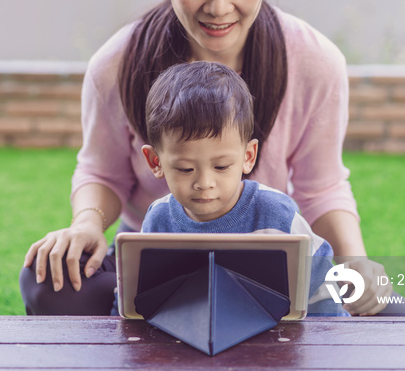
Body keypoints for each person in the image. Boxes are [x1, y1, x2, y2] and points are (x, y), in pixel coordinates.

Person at [21, 0, 405, 317]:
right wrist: (86, 224)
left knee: (396, 320)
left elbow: (322, 187)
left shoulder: (316, 62)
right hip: (159, 258)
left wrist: (355, 261)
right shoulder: (118, 64)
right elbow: (103, 173)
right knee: (45, 280)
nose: (219, 7)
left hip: (267, 259)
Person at [137, 60, 347, 316]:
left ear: (248, 156)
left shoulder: (276, 215)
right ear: (155, 161)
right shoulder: (158, 221)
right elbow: (144, 299)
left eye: (222, 166)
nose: (204, 183)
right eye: (185, 169)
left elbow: (322, 288)